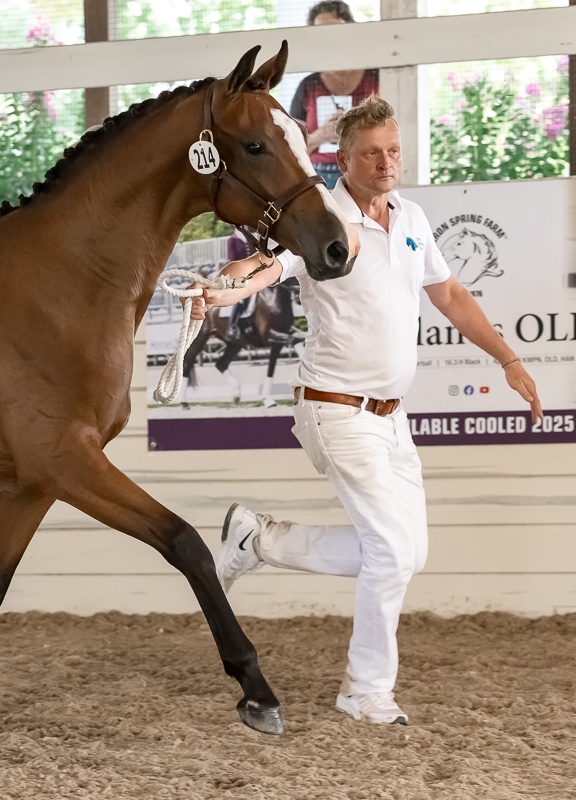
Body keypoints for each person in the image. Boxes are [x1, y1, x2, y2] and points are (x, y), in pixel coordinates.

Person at [190, 96, 542, 727]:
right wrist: (220, 290)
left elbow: (450, 293)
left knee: (408, 553)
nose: (386, 163)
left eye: (393, 151)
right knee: (390, 550)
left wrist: (507, 359)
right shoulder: (320, 217)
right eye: (372, 154)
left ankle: (259, 539)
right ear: (344, 160)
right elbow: (264, 266)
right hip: (334, 409)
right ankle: (365, 689)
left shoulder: (412, 216)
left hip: (391, 418)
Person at [288, 1, 379, 188]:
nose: (330, 39)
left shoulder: (377, 78)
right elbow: (291, 147)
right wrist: (321, 135)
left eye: (335, 32)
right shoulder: (308, 85)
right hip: (319, 173)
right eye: (321, 34)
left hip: (367, 169)